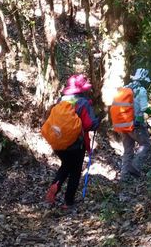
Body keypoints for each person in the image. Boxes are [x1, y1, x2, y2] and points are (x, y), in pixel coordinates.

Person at [45, 74, 100, 210]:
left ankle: (56, 185)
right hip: (76, 144)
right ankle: (68, 202)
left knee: (65, 166)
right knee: (75, 172)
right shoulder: (83, 102)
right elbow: (89, 125)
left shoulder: (60, 100)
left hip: (58, 142)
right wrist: (98, 121)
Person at [120, 68, 151, 180]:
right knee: (146, 145)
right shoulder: (141, 90)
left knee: (128, 150)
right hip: (136, 123)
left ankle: (124, 177)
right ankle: (134, 166)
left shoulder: (126, 88)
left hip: (123, 123)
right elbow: (144, 108)